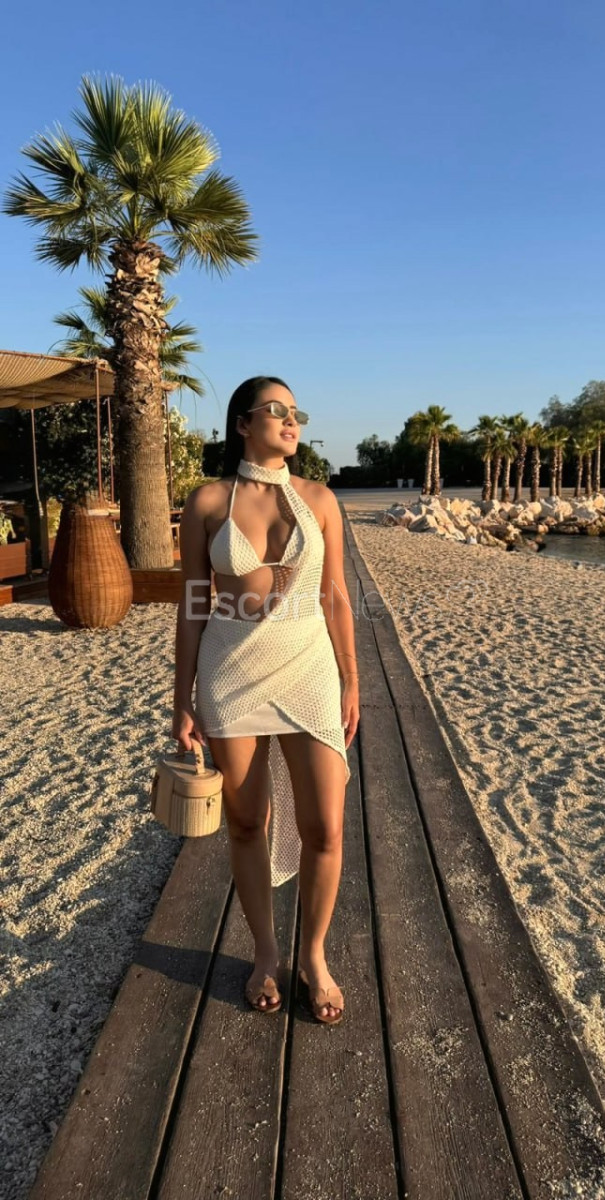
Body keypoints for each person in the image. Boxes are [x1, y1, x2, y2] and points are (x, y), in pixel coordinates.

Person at [172, 376, 359, 1025]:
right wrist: (182, 699)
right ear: (242, 424)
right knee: (247, 822)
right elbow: (193, 604)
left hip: (308, 671)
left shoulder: (320, 499)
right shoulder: (207, 502)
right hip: (230, 674)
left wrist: (351, 679)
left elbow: (335, 595)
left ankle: (314, 958)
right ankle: (265, 953)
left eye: (294, 411)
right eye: (275, 409)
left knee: (325, 827)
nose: (290, 419)